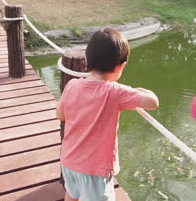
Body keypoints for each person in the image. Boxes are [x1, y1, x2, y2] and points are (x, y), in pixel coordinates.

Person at [56, 28, 159, 201]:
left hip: (68, 161)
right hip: (94, 172)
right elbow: (153, 102)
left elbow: (60, 115)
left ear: (87, 59)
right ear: (121, 66)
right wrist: (136, 90)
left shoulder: (72, 85)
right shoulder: (117, 92)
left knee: (71, 195)